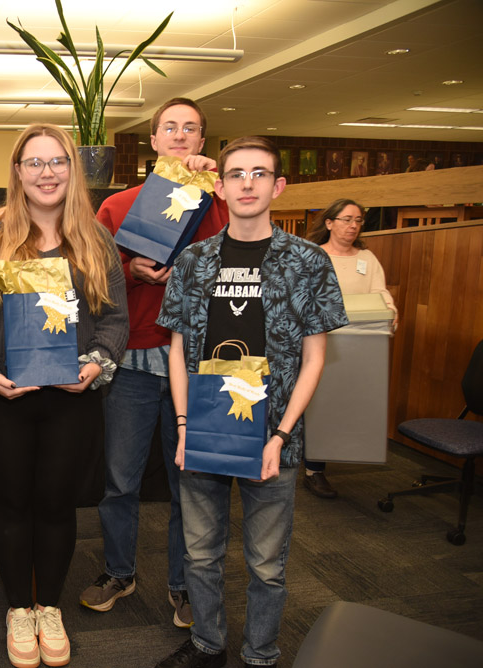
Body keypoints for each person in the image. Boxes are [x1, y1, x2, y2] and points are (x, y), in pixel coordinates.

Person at [155, 136, 348, 668]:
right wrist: (185, 426)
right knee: (200, 554)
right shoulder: (192, 260)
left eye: (259, 173)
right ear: (219, 187)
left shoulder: (308, 261)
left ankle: (261, 654)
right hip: (203, 428)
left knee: (267, 564)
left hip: (273, 435)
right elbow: (177, 352)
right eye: (236, 174)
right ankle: (207, 645)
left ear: (277, 186)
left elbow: (314, 359)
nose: (247, 183)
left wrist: (282, 434)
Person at [0, 123, 128, 668]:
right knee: (11, 503)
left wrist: (95, 363)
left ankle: (48, 606)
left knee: (56, 505)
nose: (46, 172)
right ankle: (17, 609)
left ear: (72, 169)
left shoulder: (94, 237)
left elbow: (115, 319)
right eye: (34, 162)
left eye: (57, 161)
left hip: (71, 398)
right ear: (17, 171)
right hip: (3, 396)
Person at [79, 98, 228, 627]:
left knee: (191, 481)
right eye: (170, 127)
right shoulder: (118, 206)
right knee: (121, 479)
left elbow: (243, 257)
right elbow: (90, 275)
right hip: (134, 360)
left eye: (191, 128)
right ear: (154, 140)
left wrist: (219, 186)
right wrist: (130, 269)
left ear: (202, 141)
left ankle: (183, 583)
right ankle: (119, 572)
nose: (180, 135)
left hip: (199, 362)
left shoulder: (219, 203)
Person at [301, 198, 398, 498]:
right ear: (329, 223)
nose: (353, 226)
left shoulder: (367, 258)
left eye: (358, 220)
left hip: (358, 344)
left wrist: (390, 311)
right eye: (346, 219)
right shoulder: (313, 255)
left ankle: (339, 452)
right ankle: (313, 469)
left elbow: (380, 293)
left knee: (342, 402)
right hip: (318, 341)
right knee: (316, 403)